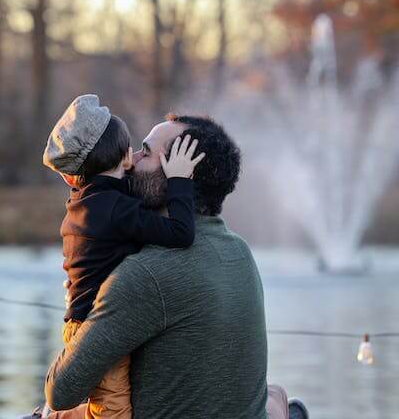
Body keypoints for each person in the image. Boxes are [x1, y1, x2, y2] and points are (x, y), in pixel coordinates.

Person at [41, 114, 310, 419]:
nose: (132, 161)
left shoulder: (144, 275)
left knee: (47, 414)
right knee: (273, 394)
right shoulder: (239, 250)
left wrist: (83, 307)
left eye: (146, 151)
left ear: (179, 175)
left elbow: (60, 390)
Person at [41, 94, 206, 419]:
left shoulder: (88, 201)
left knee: (109, 403)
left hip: (83, 320)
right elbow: (181, 234)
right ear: (124, 155)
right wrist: (178, 182)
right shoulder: (116, 210)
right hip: (98, 326)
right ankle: (49, 416)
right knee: (113, 413)